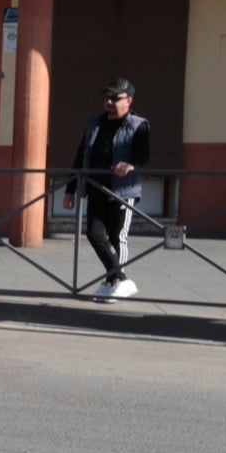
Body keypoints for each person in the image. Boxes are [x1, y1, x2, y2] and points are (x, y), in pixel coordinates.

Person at [63, 76, 151, 302]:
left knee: (116, 238)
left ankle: (113, 281)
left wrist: (130, 166)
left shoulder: (138, 125)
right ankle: (119, 279)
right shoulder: (95, 123)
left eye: (115, 98)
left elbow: (143, 155)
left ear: (128, 101)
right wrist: (70, 189)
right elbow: (81, 156)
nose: (109, 102)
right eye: (107, 97)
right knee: (94, 235)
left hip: (123, 191)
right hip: (96, 188)